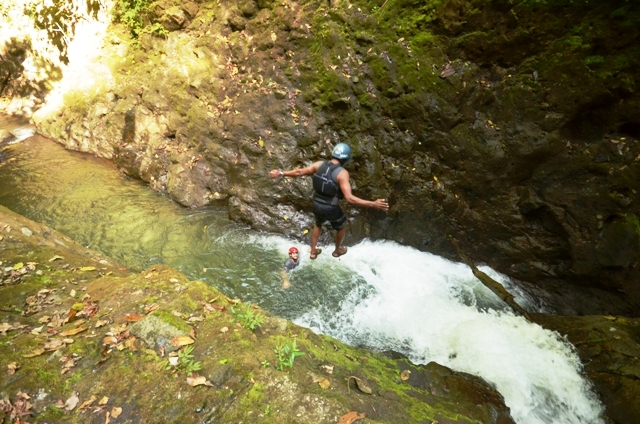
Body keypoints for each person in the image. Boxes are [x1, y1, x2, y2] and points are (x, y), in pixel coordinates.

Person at [269, 143, 389, 259]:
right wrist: (373, 204)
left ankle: (313, 251)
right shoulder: (342, 173)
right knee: (341, 226)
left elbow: (299, 172)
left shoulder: (319, 164)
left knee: (318, 224)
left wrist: (281, 173)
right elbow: (349, 198)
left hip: (316, 203)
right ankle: (337, 250)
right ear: (346, 159)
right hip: (330, 207)